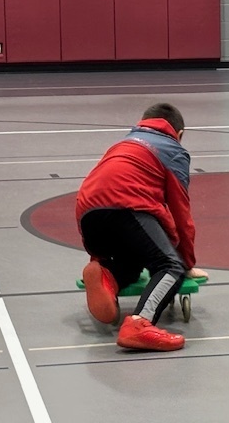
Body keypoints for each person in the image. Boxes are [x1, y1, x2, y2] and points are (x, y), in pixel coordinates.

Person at [76, 103, 208, 351]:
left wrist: (98, 256)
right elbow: (181, 213)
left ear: (142, 122)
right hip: (126, 205)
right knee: (170, 265)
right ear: (179, 134)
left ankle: (107, 275)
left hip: (87, 214)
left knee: (135, 260)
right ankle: (139, 323)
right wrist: (186, 263)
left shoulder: (125, 142)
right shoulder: (173, 150)